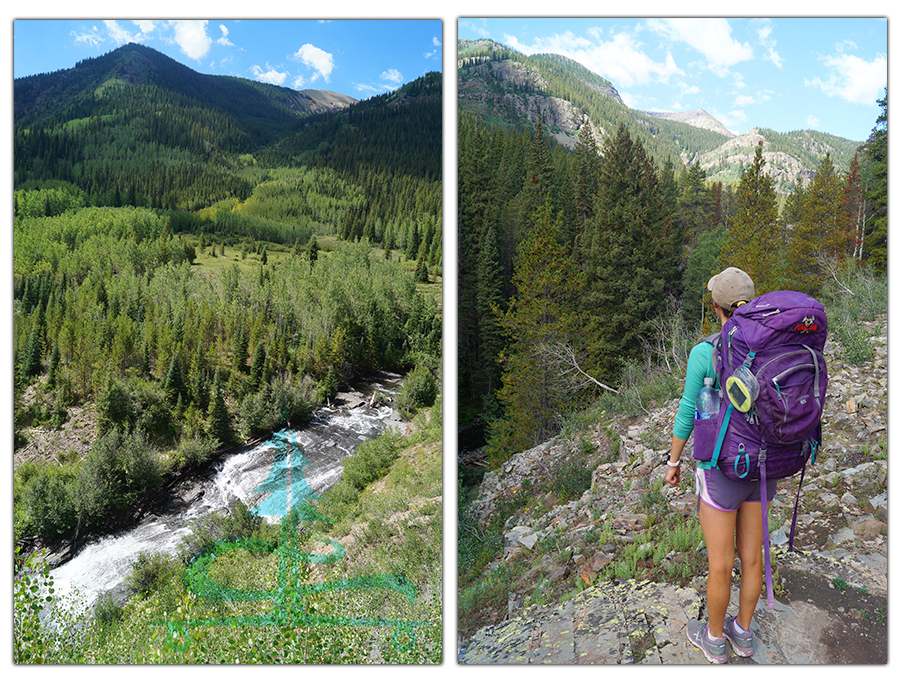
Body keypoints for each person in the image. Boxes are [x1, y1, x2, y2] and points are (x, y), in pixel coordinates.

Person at [665, 267, 772, 664]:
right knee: (753, 558)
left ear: (716, 308)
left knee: (721, 563)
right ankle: (743, 634)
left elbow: (688, 412)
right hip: (764, 468)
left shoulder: (705, 352)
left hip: (722, 470)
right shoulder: (771, 345)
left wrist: (673, 461)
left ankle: (712, 640)